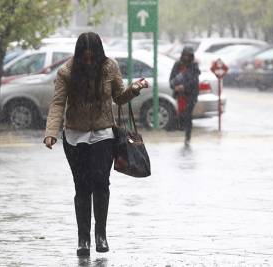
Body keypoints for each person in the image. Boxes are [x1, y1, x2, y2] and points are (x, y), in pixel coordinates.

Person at [43, 32, 148, 256]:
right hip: (74, 135)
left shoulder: (110, 67)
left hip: (103, 133)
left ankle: (101, 234)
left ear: (99, 54)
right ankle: (83, 239)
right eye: (85, 57)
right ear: (79, 55)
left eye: (93, 57)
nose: (89, 61)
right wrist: (51, 133)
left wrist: (134, 89)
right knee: (82, 187)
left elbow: (119, 97)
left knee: (101, 182)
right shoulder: (66, 72)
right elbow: (58, 103)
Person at [169, 46, 200, 145]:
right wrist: (175, 87)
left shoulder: (194, 66)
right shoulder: (177, 65)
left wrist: (184, 87)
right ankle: (181, 128)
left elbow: (193, 81)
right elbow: (172, 79)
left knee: (188, 115)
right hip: (180, 95)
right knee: (181, 114)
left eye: (188, 55)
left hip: (191, 94)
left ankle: (187, 136)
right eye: (185, 55)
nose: (186, 58)